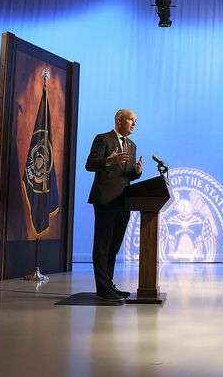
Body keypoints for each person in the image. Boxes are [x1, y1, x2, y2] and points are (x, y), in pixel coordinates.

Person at [85, 109, 143, 301]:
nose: (134, 124)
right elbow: (90, 164)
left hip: (123, 202)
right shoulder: (103, 139)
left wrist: (137, 172)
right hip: (105, 200)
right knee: (102, 246)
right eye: (131, 120)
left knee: (114, 247)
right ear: (119, 120)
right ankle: (102, 289)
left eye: (136, 121)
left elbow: (126, 176)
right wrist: (108, 161)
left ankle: (108, 285)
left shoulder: (132, 145)